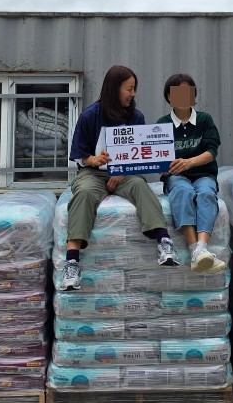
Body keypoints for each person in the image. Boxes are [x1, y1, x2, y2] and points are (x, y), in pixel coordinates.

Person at [60, 65, 179, 290]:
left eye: (134, 89)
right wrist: (94, 160)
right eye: (129, 89)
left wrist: (123, 171)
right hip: (93, 173)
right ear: (114, 89)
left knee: (141, 187)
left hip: (127, 173)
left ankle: (164, 242)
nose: (133, 94)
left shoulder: (136, 117)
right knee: (84, 193)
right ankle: (72, 262)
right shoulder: (90, 116)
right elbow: (80, 155)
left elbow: (141, 152)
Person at [157, 73, 226, 274]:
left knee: (206, 193)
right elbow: (157, 157)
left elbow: (211, 152)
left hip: (204, 174)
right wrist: (161, 167)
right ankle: (196, 251)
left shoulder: (204, 119)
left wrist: (189, 163)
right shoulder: (162, 124)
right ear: (169, 97)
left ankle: (201, 248)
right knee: (183, 192)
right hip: (176, 177)